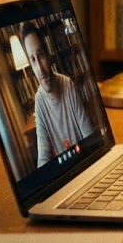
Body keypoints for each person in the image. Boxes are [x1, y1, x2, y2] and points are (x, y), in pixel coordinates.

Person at [21, 22, 95, 167]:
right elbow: (43, 157)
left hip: (85, 161)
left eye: (40, 55)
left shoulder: (67, 84)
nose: (39, 69)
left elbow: (89, 135)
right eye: (33, 60)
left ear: (48, 55)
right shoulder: (39, 101)